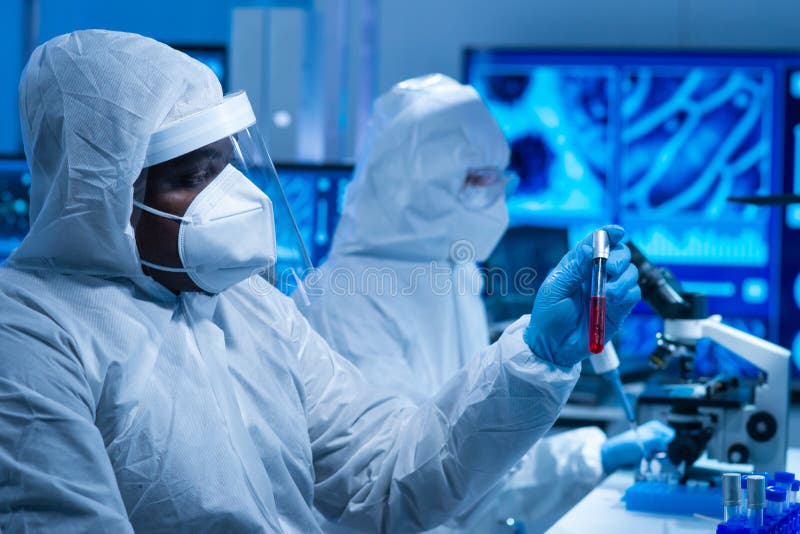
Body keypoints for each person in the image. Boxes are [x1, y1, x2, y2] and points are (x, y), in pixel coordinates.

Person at [0, 31, 640, 533]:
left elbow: (388, 474)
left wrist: (536, 359)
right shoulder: (30, 333)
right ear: (98, 196)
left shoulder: (247, 308)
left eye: (226, 167)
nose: (234, 200)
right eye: (191, 177)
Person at [296, 75, 672, 531]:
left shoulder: (454, 277)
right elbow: (397, 483)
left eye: (501, 177)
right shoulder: (343, 297)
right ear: (410, 185)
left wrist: (593, 456)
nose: (499, 194)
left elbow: (475, 455)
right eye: (478, 179)